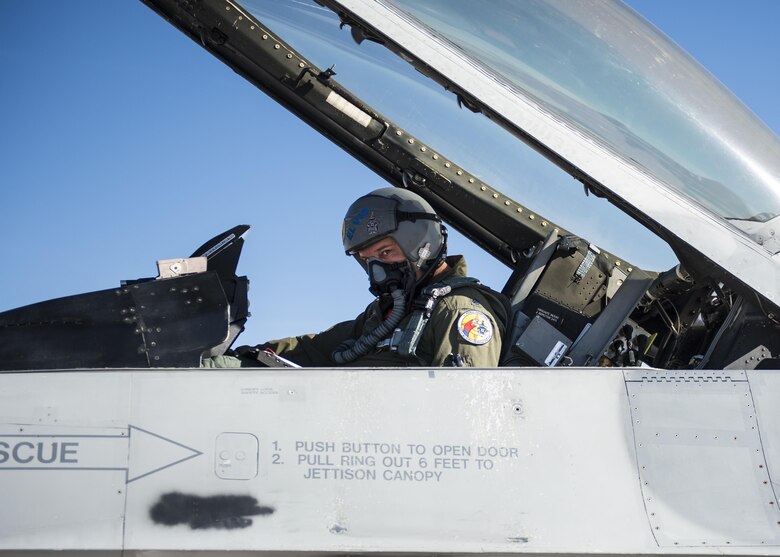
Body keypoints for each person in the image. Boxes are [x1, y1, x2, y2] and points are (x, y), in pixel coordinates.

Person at [204, 187, 509, 368]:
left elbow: (466, 410)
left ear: (420, 244)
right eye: (368, 259)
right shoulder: (384, 315)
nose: (379, 268)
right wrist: (243, 359)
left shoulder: (459, 311)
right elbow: (314, 348)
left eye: (386, 252)